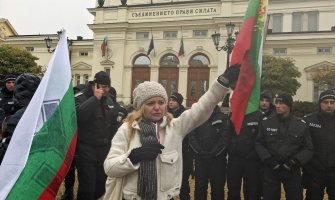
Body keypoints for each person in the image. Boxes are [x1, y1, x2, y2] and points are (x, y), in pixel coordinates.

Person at [103, 65, 240, 200]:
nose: (157, 107)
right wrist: (132, 157)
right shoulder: (127, 129)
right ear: (140, 106)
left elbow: (201, 108)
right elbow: (109, 168)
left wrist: (222, 82)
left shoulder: (175, 127)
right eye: (150, 103)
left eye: (161, 102)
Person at [255, 93, 314, 200]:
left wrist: (294, 161)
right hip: (271, 169)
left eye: (281, 103)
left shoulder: (300, 125)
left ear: (289, 106)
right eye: (277, 103)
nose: (277, 106)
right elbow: (259, 143)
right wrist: (268, 159)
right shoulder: (266, 123)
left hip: (292, 170)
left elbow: (308, 148)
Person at [75, 71, 119, 200]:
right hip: (86, 150)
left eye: (107, 87)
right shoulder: (81, 97)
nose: (105, 90)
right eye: (102, 86)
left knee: (101, 185)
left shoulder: (110, 99)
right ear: (94, 85)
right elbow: (79, 117)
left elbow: (113, 123)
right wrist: (95, 99)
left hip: (104, 150)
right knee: (87, 187)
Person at [189, 105, 228, 200]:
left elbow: (225, 138)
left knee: (217, 189)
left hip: (218, 161)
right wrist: (201, 152)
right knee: (200, 189)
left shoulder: (223, 117)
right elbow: (192, 136)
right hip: (201, 160)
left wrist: (213, 154)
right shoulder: (198, 117)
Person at [0, 73, 40, 164]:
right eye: (8, 82)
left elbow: (7, 153)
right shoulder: (49, 110)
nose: (11, 85)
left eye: (13, 82)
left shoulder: (17, 118)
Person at [303, 90, 335, 200]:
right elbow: (303, 146)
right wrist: (308, 168)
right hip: (314, 172)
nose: (329, 105)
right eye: (325, 102)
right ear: (320, 103)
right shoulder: (308, 120)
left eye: (332, 102)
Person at [168, 92, 192, 200]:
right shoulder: (165, 115)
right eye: (170, 100)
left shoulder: (185, 115)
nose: (170, 102)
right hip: (169, 152)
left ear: (179, 102)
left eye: (173, 100)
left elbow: (190, 134)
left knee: (183, 179)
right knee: (168, 179)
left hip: (183, 152)